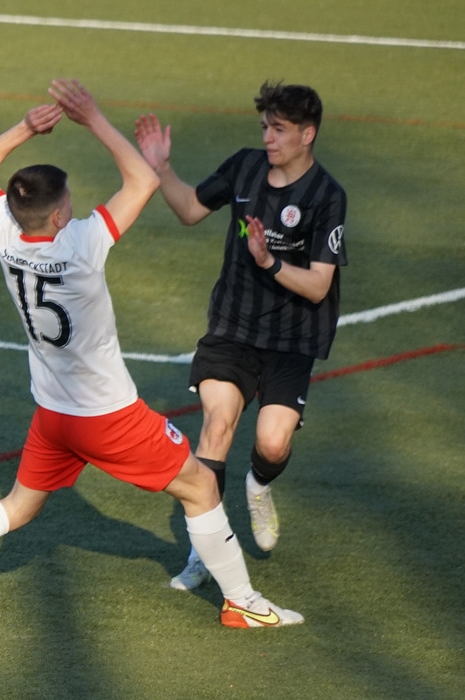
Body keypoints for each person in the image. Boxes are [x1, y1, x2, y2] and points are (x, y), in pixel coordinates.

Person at [0, 78, 303, 628]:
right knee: (201, 485)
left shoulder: (5, 235)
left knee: (17, 507)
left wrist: (25, 127)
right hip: (108, 416)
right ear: (56, 217)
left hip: (54, 415)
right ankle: (243, 604)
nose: (74, 206)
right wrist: (92, 117)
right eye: (68, 201)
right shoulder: (82, 243)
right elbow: (142, 179)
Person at [133, 80, 348, 590]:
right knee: (217, 426)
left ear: (307, 134)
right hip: (233, 328)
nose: (268, 138)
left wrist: (269, 261)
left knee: (271, 444)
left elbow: (319, 285)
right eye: (265, 127)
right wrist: (161, 169)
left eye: (279, 129)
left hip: (292, 339)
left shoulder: (327, 196)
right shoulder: (245, 167)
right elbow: (190, 209)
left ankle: (258, 485)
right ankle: (203, 553)